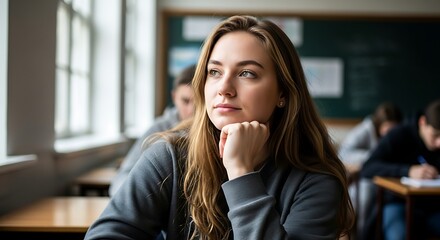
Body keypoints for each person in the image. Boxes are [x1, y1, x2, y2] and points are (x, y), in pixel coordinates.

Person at [85, 15, 355, 239]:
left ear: (283, 92)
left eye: (246, 73)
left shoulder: (316, 180)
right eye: (214, 72)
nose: (224, 88)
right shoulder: (171, 155)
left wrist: (240, 173)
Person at [109, 64, 196, 196]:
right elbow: (123, 177)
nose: (191, 110)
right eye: (185, 101)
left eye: (200, 102)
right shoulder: (158, 130)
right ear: (174, 97)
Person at [361, 99, 440, 240]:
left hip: (433, 206)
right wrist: (408, 171)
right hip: (397, 203)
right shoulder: (399, 135)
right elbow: (368, 168)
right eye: (435, 135)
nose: (439, 143)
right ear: (422, 122)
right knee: (399, 235)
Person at [338, 102, 403, 239]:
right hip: (364, 179)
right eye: (388, 130)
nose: (391, 135)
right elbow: (344, 153)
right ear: (379, 124)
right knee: (366, 195)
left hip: (385, 179)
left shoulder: (400, 135)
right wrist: (375, 156)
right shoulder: (366, 129)